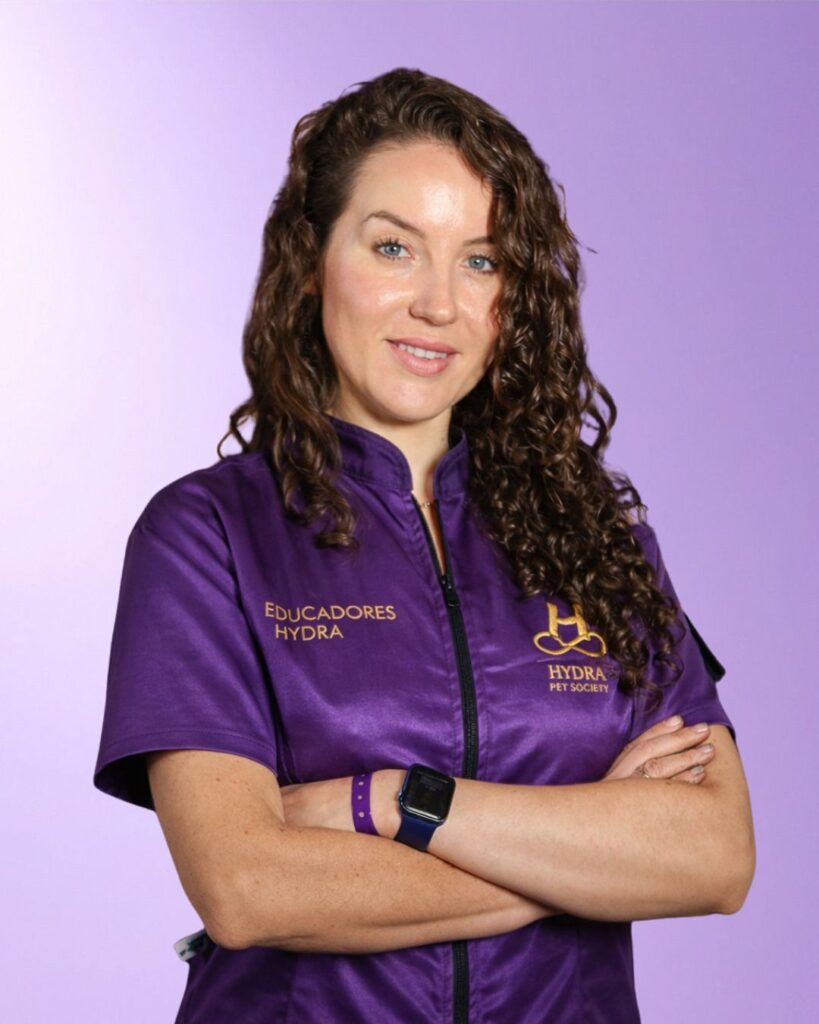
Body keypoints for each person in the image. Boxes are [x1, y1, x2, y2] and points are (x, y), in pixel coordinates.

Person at [92, 67, 755, 1023]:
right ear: (311, 261)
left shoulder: (596, 539)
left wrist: (395, 800)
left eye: (481, 262)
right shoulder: (207, 535)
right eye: (394, 247)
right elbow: (248, 888)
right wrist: (592, 858)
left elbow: (715, 857)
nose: (438, 304)